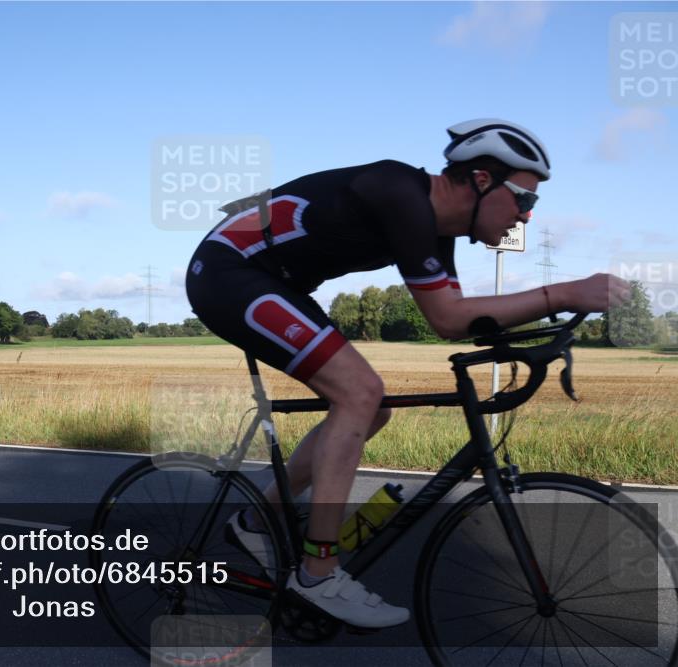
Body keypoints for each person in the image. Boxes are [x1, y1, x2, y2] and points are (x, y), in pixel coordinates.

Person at [184, 118, 632, 628]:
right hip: (230, 272)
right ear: (482, 180)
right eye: (525, 202)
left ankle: (257, 519)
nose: (525, 218)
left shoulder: (437, 229)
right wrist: (565, 293)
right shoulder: (399, 191)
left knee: (370, 409)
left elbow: (455, 319)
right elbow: (448, 317)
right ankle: (317, 574)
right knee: (360, 392)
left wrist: (541, 334)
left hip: (273, 278)